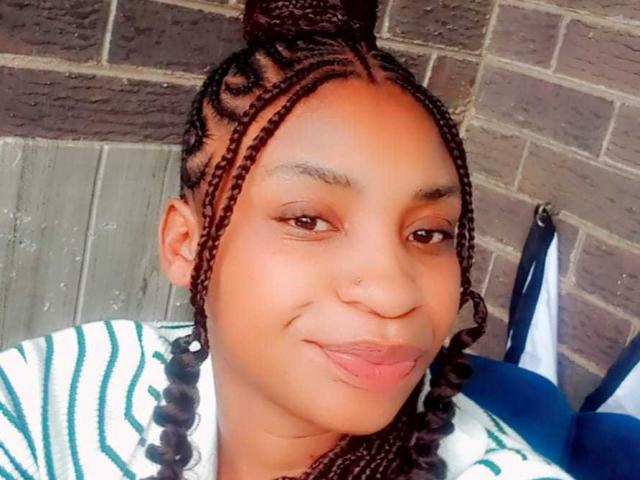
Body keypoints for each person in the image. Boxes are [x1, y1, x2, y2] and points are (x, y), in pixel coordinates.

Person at [0, 1, 576, 479]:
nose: (393, 294)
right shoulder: (59, 395)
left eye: (428, 233)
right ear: (185, 245)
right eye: (308, 221)